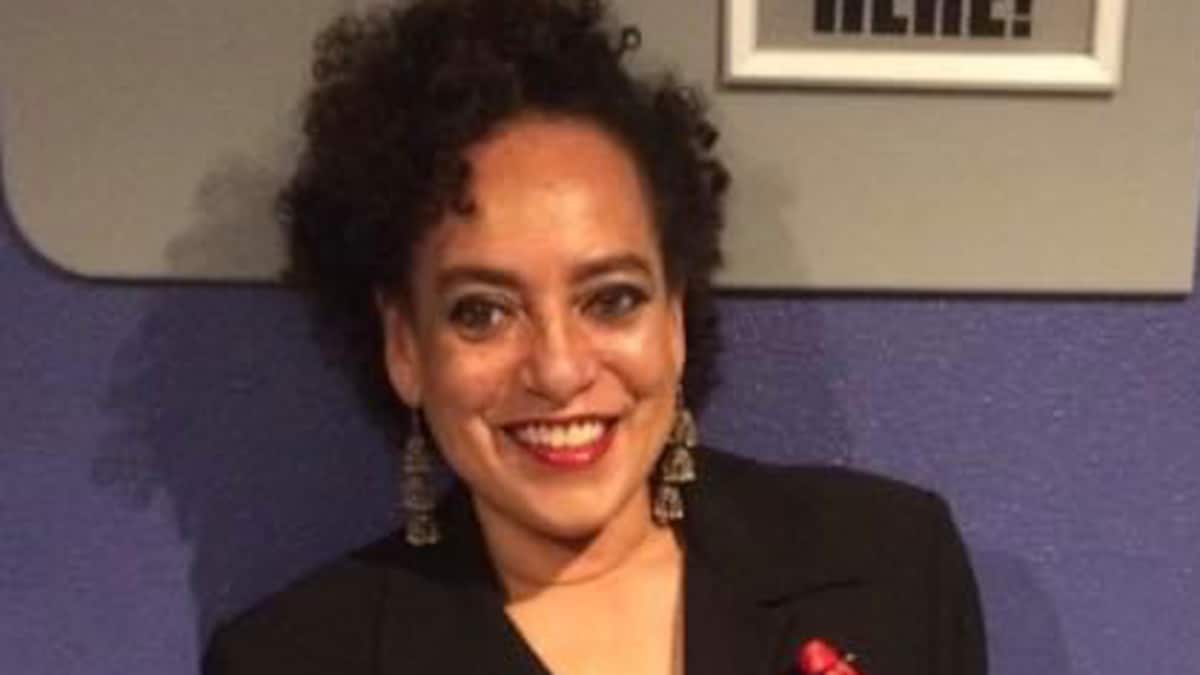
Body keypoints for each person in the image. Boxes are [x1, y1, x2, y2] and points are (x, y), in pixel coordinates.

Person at [203, 0, 987, 673]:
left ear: (674, 316)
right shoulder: (294, 659)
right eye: (483, 312)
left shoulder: (891, 565)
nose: (558, 367)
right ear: (405, 346)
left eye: (611, 300)